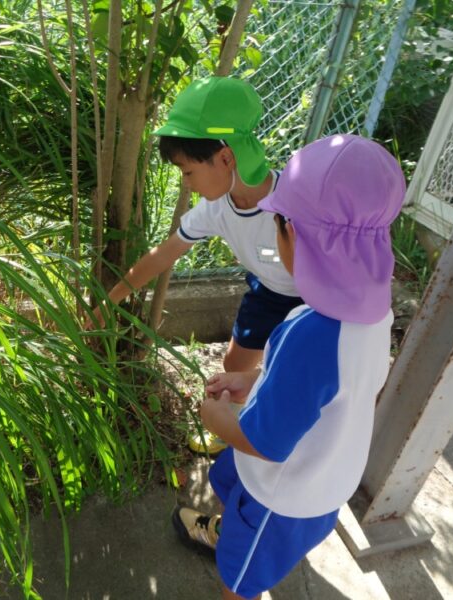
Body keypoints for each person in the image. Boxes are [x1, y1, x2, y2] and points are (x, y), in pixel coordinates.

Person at [171, 134, 406, 600]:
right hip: (323, 475)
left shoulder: (312, 333)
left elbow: (266, 443)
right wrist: (254, 380)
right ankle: (228, 533)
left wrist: (217, 417)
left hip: (281, 496)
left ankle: (235, 556)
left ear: (293, 234)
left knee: (240, 582)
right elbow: (332, 386)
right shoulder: (372, 312)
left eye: (279, 221)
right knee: (237, 508)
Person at [91, 76, 303, 455]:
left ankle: (280, 437)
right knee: (234, 364)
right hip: (268, 290)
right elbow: (164, 254)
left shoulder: (293, 200)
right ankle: (231, 425)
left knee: (292, 371)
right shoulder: (216, 209)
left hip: (313, 300)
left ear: (226, 157)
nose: (185, 183)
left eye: (187, 171)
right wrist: (113, 299)